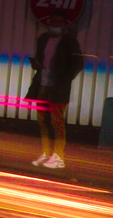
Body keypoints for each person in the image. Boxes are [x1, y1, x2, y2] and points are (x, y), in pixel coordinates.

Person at [27, 11, 84, 169]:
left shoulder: (69, 42)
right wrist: (36, 64)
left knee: (56, 122)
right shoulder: (43, 39)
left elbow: (77, 64)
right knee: (42, 121)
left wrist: (64, 80)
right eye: (52, 22)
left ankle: (59, 156)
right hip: (42, 85)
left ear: (64, 25)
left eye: (58, 23)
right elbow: (40, 59)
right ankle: (46, 153)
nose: (55, 25)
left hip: (58, 88)